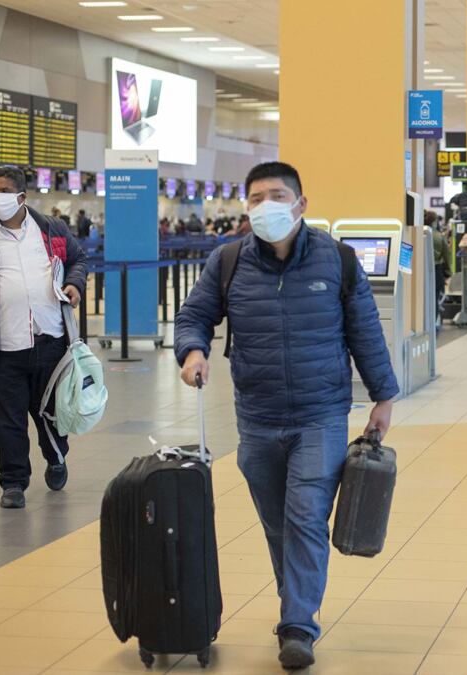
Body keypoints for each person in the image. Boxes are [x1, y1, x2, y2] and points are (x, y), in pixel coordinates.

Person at [173, 161, 398, 671]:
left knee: (305, 517)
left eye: (277, 195)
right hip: (256, 417)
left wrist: (383, 398)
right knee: (278, 524)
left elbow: (365, 330)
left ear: (301, 204)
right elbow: (195, 315)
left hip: (320, 414)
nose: (265, 206)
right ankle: (296, 599)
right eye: (255, 198)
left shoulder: (337, 261)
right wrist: (192, 352)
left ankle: (297, 624)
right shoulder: (227, 261)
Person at [0, 165, 87, 508]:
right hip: (4, 347)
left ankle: (56, 458)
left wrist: (75, 283)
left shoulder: (51, 229)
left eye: (3, 191)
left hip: (50, 340)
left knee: (50, 413)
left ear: (21, 196)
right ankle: (13, 483)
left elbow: (78, 260)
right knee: (8, 420)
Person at [426, 210, 451, 323]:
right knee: (434, 298)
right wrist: (448, 272)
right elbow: (447, 256)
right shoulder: (439, 237)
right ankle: (433, 323)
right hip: (435, 271)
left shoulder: (416, 234)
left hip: (419, 271)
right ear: (434, 222)